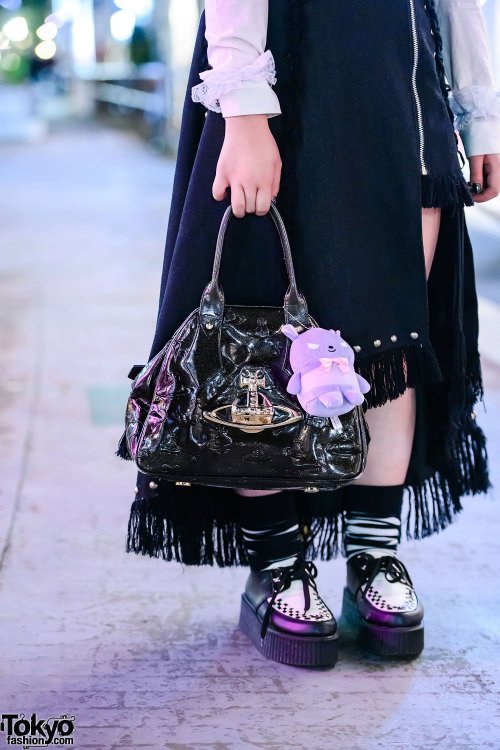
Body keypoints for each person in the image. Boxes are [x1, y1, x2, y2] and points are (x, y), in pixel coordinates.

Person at [119, 0, 500, 667]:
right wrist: (241, 108)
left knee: (391, 344)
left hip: (402, 75)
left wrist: (482, 111)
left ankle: (374, 554)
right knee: (255, 339)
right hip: (280, 64)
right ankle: (276, 566)